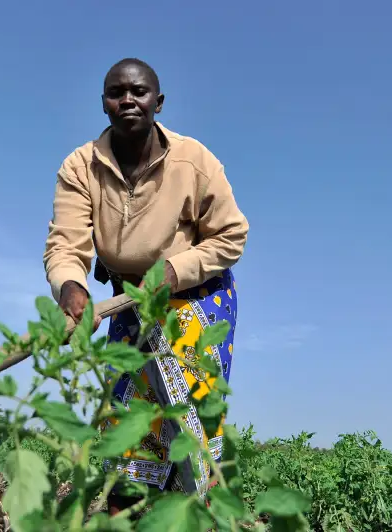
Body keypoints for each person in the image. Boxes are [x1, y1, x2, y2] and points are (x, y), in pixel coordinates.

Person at [43, 57, 249, 514]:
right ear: (104, 104)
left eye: (139, 92)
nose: (128, 99)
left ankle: (197, 515)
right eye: (117, 92)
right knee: (130, 426)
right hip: (128, 304)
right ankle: (125, 515)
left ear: (159, 102)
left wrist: (172, 273)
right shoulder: (80, 167)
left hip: (196, 300)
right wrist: (72, 289)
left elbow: (231, 235)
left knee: (190, 423)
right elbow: (66, 245)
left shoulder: (193, 160)